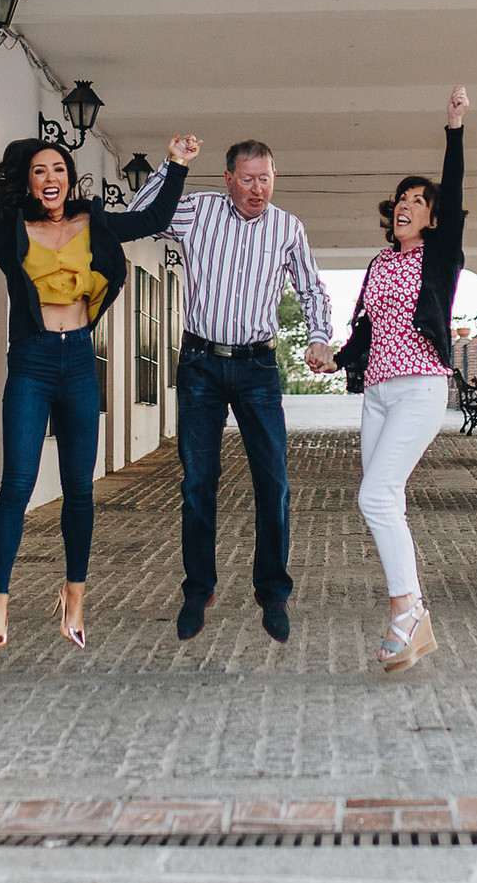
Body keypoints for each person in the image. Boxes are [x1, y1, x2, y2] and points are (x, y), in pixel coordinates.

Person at [0, 133, 197, 649]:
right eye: (39, 171)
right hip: (32, 362)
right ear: (27, 182)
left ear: (69, 177)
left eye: (58, 168)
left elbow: (149, 221)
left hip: (80, 359)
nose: (51, 178)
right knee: (17, 483)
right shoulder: (9, 231)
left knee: (80, 487)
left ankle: (75, 596)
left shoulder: (93, 223)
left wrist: (175, 166)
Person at [130, 139, 335, 643]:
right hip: (200, 364)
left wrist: (318, 336)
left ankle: (273, 591)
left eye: (265, 178)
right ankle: (198, 589)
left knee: (275, 483)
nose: (258, 189)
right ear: (227, 178)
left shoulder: (288, 228)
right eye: (248, 179)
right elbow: (138, 216)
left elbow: (311, 288)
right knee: (198, 482)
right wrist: (172, 166)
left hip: (259, 367)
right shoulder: (199, 210)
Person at [333, 86, 468, 672]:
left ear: (433, 218)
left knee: (375, 494)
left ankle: (407, 610)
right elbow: (367, 331)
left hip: (420, 387)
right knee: (385, 501)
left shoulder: (438, 259)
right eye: (404, 199)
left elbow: (455, 188)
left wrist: (454, 130)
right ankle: (413, 615)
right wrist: (335, 360)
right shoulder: (380, 263)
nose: (409, 205)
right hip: (379, 394)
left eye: (421, 200)